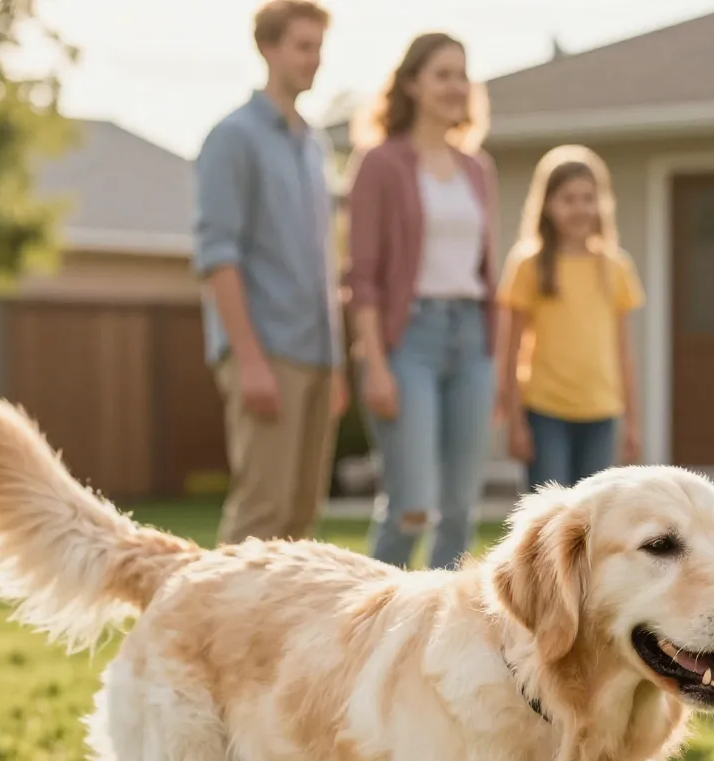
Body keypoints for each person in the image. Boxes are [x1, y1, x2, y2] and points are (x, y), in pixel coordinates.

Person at [194, 0, 346, 546]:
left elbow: (324, 262)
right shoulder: (233, 138)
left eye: (319, 49)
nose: (314, 60)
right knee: (262, 512)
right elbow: (218, 257)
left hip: (317, 356)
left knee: (300, 519)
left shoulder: (314, 145)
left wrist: (338, 367)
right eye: (303, 47)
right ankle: (213, 631)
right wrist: (250, 360)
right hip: (267, 351)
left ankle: (271, 634)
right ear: (268, 48)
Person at [346, 33, 498, 571]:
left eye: (462, 74)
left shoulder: (478, 169)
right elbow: (360, 276)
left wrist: (492, 353)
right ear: (412, 84)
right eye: (442, 75)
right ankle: (365, 629)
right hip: (408, 340)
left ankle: (440, 640)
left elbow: (485, 268)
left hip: (471, 340)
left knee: (458, 510)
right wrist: (376, 364)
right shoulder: (380, 163)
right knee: (411, 506)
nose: (456, 86)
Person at [496, 146, 644, 492]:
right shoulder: (528, 265)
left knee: (590, 520)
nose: (580, 208)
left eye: (588, 198)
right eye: (568, 199)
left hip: (601, 413)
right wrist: (515, 423)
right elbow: (511, 350)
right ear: (547, 204)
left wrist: (632, 424)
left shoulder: (615, 267)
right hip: (545, 412)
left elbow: (625, 354)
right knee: (548, 519)